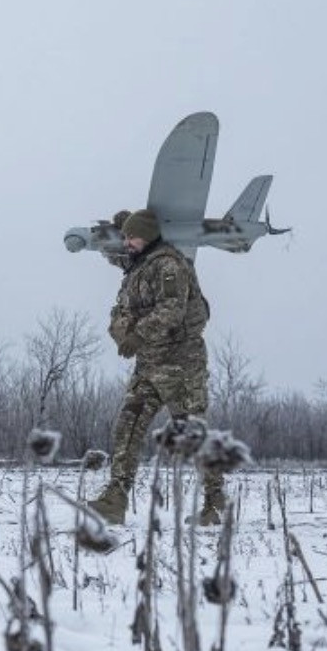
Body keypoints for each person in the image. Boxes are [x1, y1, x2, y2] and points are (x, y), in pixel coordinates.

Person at [88, 208, 222, 525]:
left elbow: (172, 311)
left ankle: (215, 504)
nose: (127, 243)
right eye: (126, 238)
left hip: (180, 366)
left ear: (147, 237)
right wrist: (112, 235)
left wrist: (135, 336)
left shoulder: (169, 265)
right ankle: (115, 500)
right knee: (127, 427)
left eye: (131, 237)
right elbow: (122, 257)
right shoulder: (141, 263)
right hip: (149, 365)